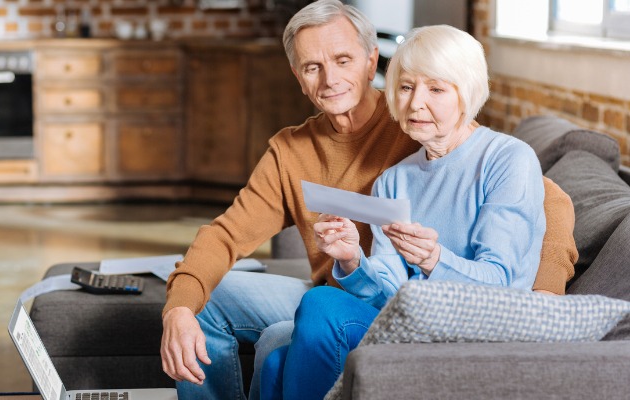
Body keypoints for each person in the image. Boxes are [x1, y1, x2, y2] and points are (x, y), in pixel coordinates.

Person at [160, 1, 577, 399]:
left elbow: (548, 200)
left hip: (403, 304)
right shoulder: (304, 154)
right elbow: (226, 234)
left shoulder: (420, 125)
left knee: (279, 341)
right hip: (357, 291)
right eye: (312, 67)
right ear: (297, 75)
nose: (330, 79)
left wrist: (543, 303)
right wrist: (178, 308)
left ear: (371, 60)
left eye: (342, 60)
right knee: (200, 302)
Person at [259, 23, 552, 400]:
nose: (415, 104)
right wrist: (352, 261)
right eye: (406, 86)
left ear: (467, 93)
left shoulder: (507, 159)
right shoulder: (394, 180)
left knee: (320, 302)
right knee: (273, 364)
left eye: (436, 89)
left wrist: (433, 259)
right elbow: (389, 292)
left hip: (478, 331)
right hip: (414, 324)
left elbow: (498, 283)